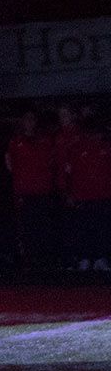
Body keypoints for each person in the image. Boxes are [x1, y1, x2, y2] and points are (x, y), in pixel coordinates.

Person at [60, 107, 111, 272]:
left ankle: (100, 258)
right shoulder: (75, 149)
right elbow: (67, 173)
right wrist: (68, 193)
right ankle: (85, 258)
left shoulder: (106, 148)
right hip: (82, 196)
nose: (94, 135)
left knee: (102, 228)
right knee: (83, 229)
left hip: (103, 195)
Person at [7, 107, 58, 267]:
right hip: (24, 191)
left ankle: (43, 258)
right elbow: (9, 164)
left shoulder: (45, 140)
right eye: (26, 118)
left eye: (32, 119)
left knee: (42, 225)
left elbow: (51, 161)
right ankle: (28, 259)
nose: (29, 122)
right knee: (26, 226)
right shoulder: (16, 141)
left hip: (42, 190)